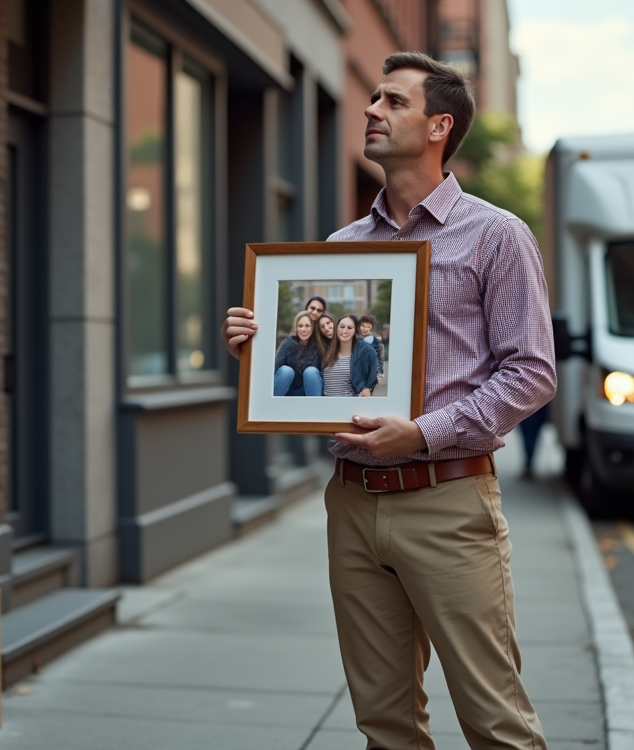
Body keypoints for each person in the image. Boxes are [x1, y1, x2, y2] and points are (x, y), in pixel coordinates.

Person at [223, 50, 555, 749]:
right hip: (351, 501)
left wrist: (425, 432)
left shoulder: (497, 235)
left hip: (448, 499)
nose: (371, 111)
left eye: (391, 102)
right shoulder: (342, 248)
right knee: (384, 726)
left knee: (496, 723)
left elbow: (531, 373)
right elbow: (318, 367)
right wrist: (257, 347)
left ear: (440, 126)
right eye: (372, 99)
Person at [322, 314, 378, 398]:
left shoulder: (366, 352)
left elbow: (372, 378)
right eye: (342, 327)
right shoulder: (327, 351)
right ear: (336, 329)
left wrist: (368, 389)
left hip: (351, 404)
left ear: (355, 331)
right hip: (327, 405)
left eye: (349, 328)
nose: (345, 331)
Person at [272, 312, 323, 397]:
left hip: (308, 391)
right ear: (296, 328)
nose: (303, 329)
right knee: (286, 370)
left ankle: (315, 407)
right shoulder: (287, 344)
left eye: (307, 326)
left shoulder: (318, 346)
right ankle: (272, 404)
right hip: (287, 390)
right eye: (300, 326)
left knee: (311, 371)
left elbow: (323, 374)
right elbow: (275, 368)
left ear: (312, 328)